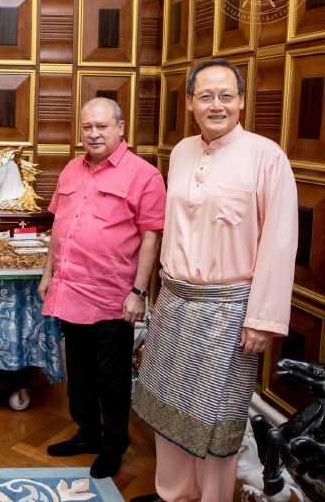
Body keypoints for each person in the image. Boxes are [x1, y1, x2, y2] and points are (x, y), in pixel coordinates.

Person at [131, 59, 298, 502]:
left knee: (218, 418)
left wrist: (262, 319)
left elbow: (279, 244)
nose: (216, 105)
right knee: (170, 411)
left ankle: (212, 498)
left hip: (230, 311)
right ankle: (173, 494)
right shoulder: (183, 151)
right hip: (176, 302)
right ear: (190, 103)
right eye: (206, 96)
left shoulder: (267, 157)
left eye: (226, 96)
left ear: (242, 101)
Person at [39, 97, 166, 479]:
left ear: (121, 128)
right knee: (77, 371)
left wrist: (139, 292)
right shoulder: (70, 171)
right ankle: (87, 434)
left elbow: (150, 236)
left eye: (102, 126)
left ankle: (114, 445)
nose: (93, 134)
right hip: (69, 289)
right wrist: (48, 274)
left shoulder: (144, 175)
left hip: (113, 297)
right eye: (87, 127)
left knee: (112, 379)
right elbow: (58, 229)